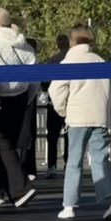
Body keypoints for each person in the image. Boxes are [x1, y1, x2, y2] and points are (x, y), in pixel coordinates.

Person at [47, 24, 111, 221]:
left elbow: (55, 91)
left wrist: (63, 111)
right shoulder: (101, 61)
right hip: (100, 117)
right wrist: (108, 112)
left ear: (72, 40)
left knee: (74, 162)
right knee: (100, 158)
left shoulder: (69, 62)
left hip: (77, 117)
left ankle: (69, 205)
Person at [0, 8, 37, 207]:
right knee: (2, 143)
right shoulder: (23, 42)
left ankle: (21, 189)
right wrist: (29, 97)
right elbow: (34, 71)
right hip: (20, 96)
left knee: (2, 143)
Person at [42, 34, 70, 179]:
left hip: (53, 103)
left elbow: (44, 83)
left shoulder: (52, 61)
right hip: (70, 103)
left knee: (52, 137)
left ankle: (51, 165)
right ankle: (68, 163)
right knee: (68, 136)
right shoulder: (72, 60)